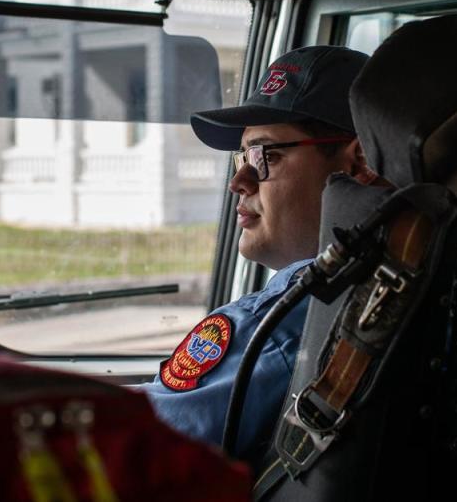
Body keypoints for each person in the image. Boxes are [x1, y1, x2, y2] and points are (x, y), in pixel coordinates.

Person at [139, 45, 375, 469]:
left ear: (356, 161)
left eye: (265, 155)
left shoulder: (287, 320)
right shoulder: (416, 282)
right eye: (241, 157)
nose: (239, 181)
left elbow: (126, 448)